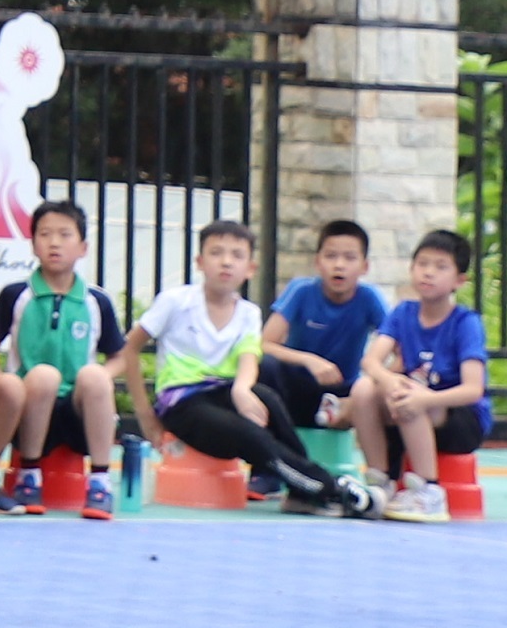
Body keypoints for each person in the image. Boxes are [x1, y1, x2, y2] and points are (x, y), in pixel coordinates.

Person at [130, 218, 362, 514]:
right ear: (200, 262)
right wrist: (146, 416)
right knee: (250, 434)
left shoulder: (248, 313)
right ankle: (327, 488)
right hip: (182, 402)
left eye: (237, 255)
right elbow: (130, 349)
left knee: (269, 400)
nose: (226, 262)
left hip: (223, 393)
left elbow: (249, 359)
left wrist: (242, 389)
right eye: (216, 253)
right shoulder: (175, 302)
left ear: (250, 268)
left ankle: (301, 494)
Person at [0, 196, 125, 520]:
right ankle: (29, 474)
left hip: (76, 411)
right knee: (44, 375)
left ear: (83, 247)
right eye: (44, 234)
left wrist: (102, 378)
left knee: (95, 376)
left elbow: (120, 356)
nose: (54, 243)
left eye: (64, 234)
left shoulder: (96, 300)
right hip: (28, 407)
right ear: (33, 244)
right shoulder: (15, 294)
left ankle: (100, 482)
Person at [258, 219, 401, 509]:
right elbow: (264, 343)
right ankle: (266, 470)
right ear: (318, 262)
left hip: (342, 394)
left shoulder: (370, 298)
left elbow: (401, 351)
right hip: (296, 389)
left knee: (391, 389)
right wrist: (309, 360)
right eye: (331, 256)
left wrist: (375, 383)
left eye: (349, 258)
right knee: (265, 367)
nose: (339, 265)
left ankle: (389, 478)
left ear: (364, 266)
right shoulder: (300, 291)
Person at [360, 228, 491, 519]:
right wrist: (389, 380)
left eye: (440, 267)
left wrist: (425, 399)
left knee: (409, 397)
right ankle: (380, 482)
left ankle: (429, 490)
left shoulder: (465, 323)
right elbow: (371, 362)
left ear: (459, 280)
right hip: (411, 409)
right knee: (364, 390)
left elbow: (473, 390)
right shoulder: (403, 313)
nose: (428, 272)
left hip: (460, 418)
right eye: (422, 264)